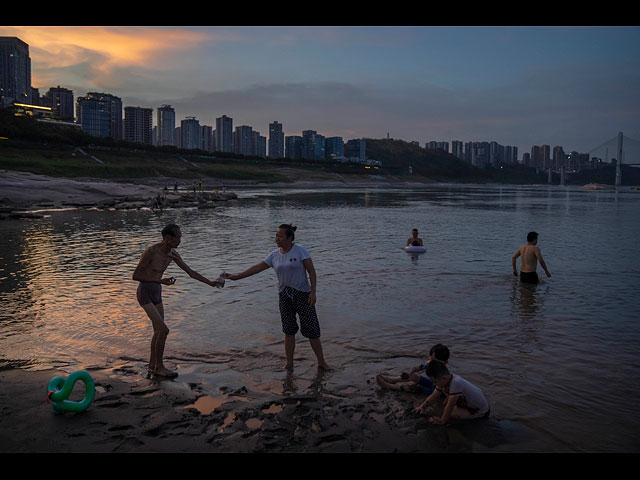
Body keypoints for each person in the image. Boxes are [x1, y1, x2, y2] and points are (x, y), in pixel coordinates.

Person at [223, 224, 330, 371]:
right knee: (288, 330)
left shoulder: (300, 251)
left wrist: (313, 292)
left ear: (290, 238)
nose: (276, 239)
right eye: (276, 236)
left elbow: (312, 272)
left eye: (280, 236)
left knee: (312, 330)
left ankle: (321, 362)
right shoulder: (274, 255)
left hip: (303, 295)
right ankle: (289, 363)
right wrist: (236, 277)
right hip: (284, 296)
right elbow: (256, 268)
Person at [133, 224, 222, 378]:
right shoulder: (151, 252)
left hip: (157, 293)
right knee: (163, 330)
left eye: (180, 236)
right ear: (168, 238)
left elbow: (190, 272)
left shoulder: (173, 254)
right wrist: (161, 281)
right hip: (145, 293)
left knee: (158, 332)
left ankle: (152, 365)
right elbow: (135, 276)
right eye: (178, 237)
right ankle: (159, 367)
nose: (180, 240)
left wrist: (211, 283)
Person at [414, 360, 490, 424]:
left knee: (452, 414)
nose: (434, 384)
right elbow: (434, 395)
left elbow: (450, 405)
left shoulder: (456, 382)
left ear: (443, 378)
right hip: (468, 403)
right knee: (444, 404)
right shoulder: (445, 380)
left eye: (434, 381)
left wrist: (442, 421)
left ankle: (476, 417)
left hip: (481, 410)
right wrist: (423, 406)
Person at [376, 344, 450, 394]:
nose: (431, 361)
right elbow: (418, 368)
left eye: (434, 360)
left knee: (415, 387)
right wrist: (410, 373)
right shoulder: (429, 363)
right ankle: (391, 380)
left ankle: (390, 386)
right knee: (413, 376)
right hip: (431, 384)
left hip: (436, 391)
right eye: (430, 358)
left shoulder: (443, 372)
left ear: (445, 362)